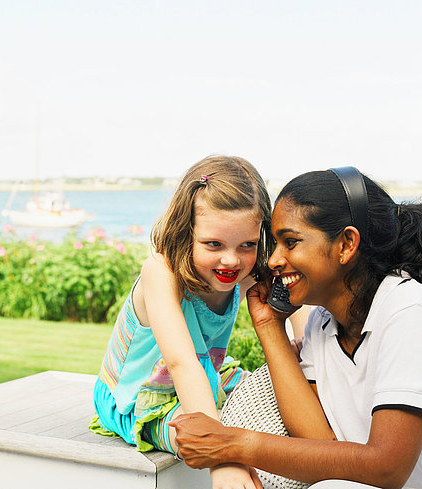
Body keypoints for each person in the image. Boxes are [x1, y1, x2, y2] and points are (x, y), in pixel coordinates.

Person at [170, 167, 422, 489]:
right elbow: (321, 445)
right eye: (275, 243)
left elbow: (388, 467)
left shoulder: (406, 309)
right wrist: (269, 325)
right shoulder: (322, 324)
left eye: (290, 242)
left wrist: (233, 443)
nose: (273, 260)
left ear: (346, 244)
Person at [90, 155, 273, 489]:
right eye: (213, 244)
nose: (231, 259)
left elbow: (293, 308)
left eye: (247, 244)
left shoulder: (246, 269)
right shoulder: (161, 272)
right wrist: (223, 459)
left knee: (270, 399)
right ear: (185, 231)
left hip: (205, 378)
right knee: (191, 432)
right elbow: (181, 363)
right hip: (137, 398)